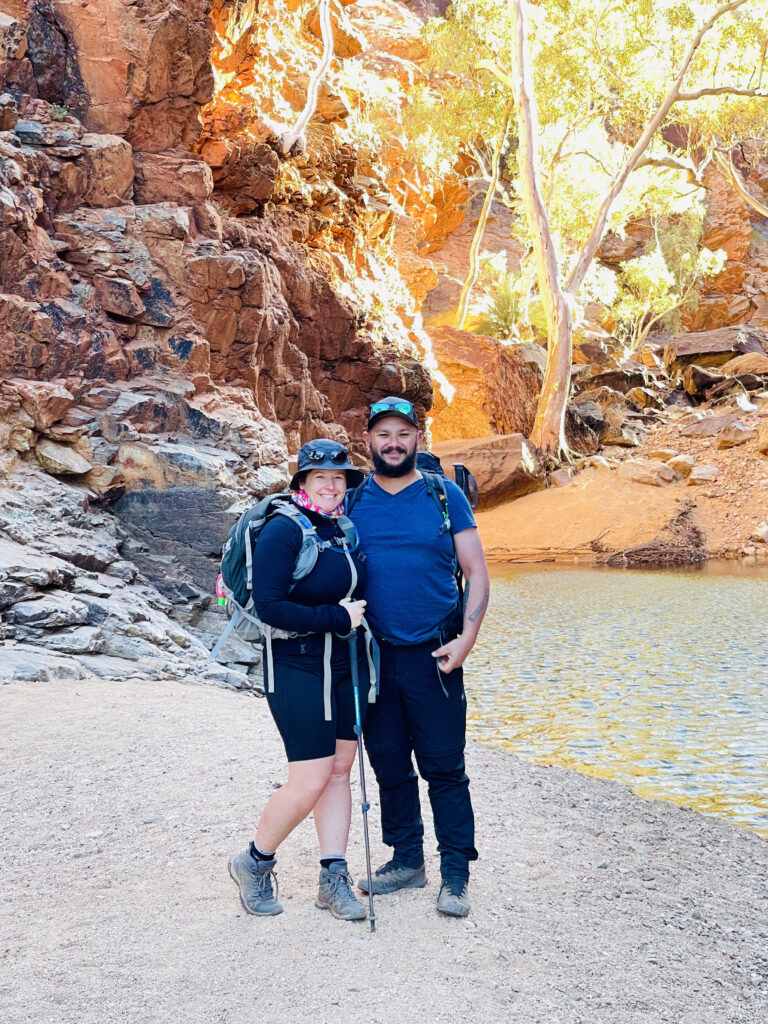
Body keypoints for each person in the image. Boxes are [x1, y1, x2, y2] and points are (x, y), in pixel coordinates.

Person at [347, 397, 490, 918]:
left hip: (436, 652)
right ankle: (406, 860)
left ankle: (455, 872)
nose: (392, 442)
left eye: (402, 433)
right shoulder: (353, 499)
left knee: (445, 768)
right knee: (388, 763)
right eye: (382, 433)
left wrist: (466, 640)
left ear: (417, 439)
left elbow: (476, 571)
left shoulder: (445, 495)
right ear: (367, 441)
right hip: (373, 655)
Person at [228, 439, 373, 921]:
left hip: (345, 662)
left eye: (339, 478)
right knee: (310, 777)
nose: (331, 486)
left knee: (338, 772)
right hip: (297, 663)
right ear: (302, 482)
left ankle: (333, 877)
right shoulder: (283, 530)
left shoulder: (339, 529)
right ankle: (253, 862)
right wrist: (336, 617)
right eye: (320, 478)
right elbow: (270, 607)